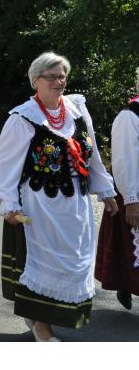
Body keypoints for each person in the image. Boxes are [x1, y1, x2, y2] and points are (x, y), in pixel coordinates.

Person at [0, 51, 117, 342]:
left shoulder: (77, 110)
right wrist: (9, 204)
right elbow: (7, 165)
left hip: (76, 204)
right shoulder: (23, 117)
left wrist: (106, 190)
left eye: (62, 76)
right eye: (51, 77)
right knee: (45, 263)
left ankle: (52, 317)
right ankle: (41, 325)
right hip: (40, 205)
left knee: (73, 261)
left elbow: (92, 155)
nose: (59, 82)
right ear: (35, 81)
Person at [95, 66, 139, 310]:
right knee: (130, 249)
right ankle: (125, 284)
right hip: (133, 190)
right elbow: (124, 159)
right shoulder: (130, 116)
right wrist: (131, 200)